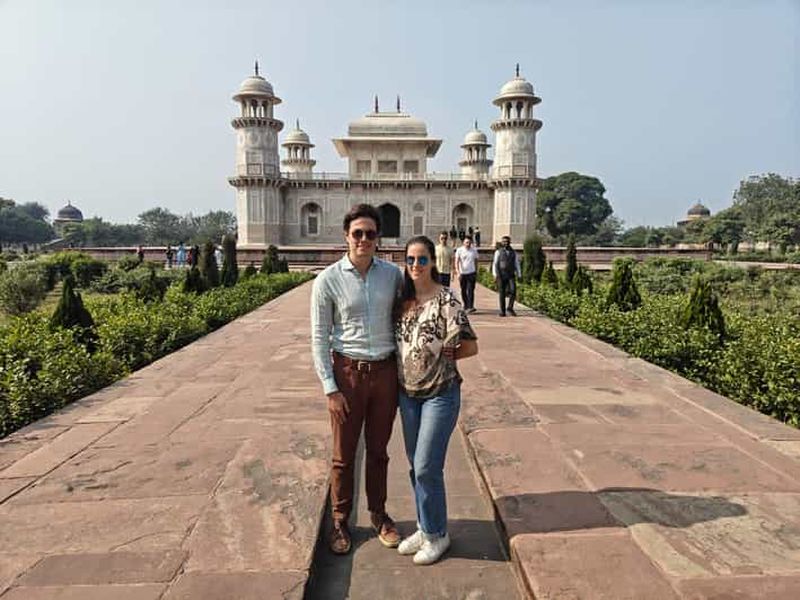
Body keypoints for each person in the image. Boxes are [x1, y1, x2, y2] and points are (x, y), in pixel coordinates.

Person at [311, 203, 404, 555]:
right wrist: (330, 388)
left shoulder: (392, 276)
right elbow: (319, 338)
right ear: (346, 236)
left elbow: (409, 315)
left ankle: (379, 514)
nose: (364, 239)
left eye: (370, 234)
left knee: (379, 451)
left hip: (384, 374)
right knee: (343, 455)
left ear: (379, 237)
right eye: (357, 233)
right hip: (347, 374)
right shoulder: (328, 279)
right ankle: (340, 519)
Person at [394, 235, 478, 565]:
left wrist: (450, 351)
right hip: (408, 395)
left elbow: (470, 346)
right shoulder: (402, 301)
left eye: (422, 259)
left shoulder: (446, 299)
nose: (416, 265)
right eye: (411, 260)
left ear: (433, 261)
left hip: (440, 392)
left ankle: (437, 534)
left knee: (427, 466)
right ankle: (424, 525)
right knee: (416, 467)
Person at [492, 235, 521, 317]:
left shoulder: (513, 252)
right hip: (501, 274)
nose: (505, 243)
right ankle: (502, 311)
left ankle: (510, 308)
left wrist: (519, 274)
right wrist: (495, 274)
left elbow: (516, 263)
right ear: (502, 243)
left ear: (510, 242)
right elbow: (495, 264)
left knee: (513, 290)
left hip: (510, 274)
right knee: (502, 293)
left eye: (507, 242)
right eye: (504, 242)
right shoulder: (498, 252)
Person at [455, 236, 478, 313]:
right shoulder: (459, 250)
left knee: (471, 290)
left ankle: (470, 306)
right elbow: (457, 262)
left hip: (471, 273)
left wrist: (476, 271)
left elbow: (476, 261)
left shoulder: (474, 250)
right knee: (463, 290)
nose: (468, 244)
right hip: (463, 273)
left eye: (469, 242)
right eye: (466, 242)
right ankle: (466, 304)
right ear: (463, 243)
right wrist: (458, 272)